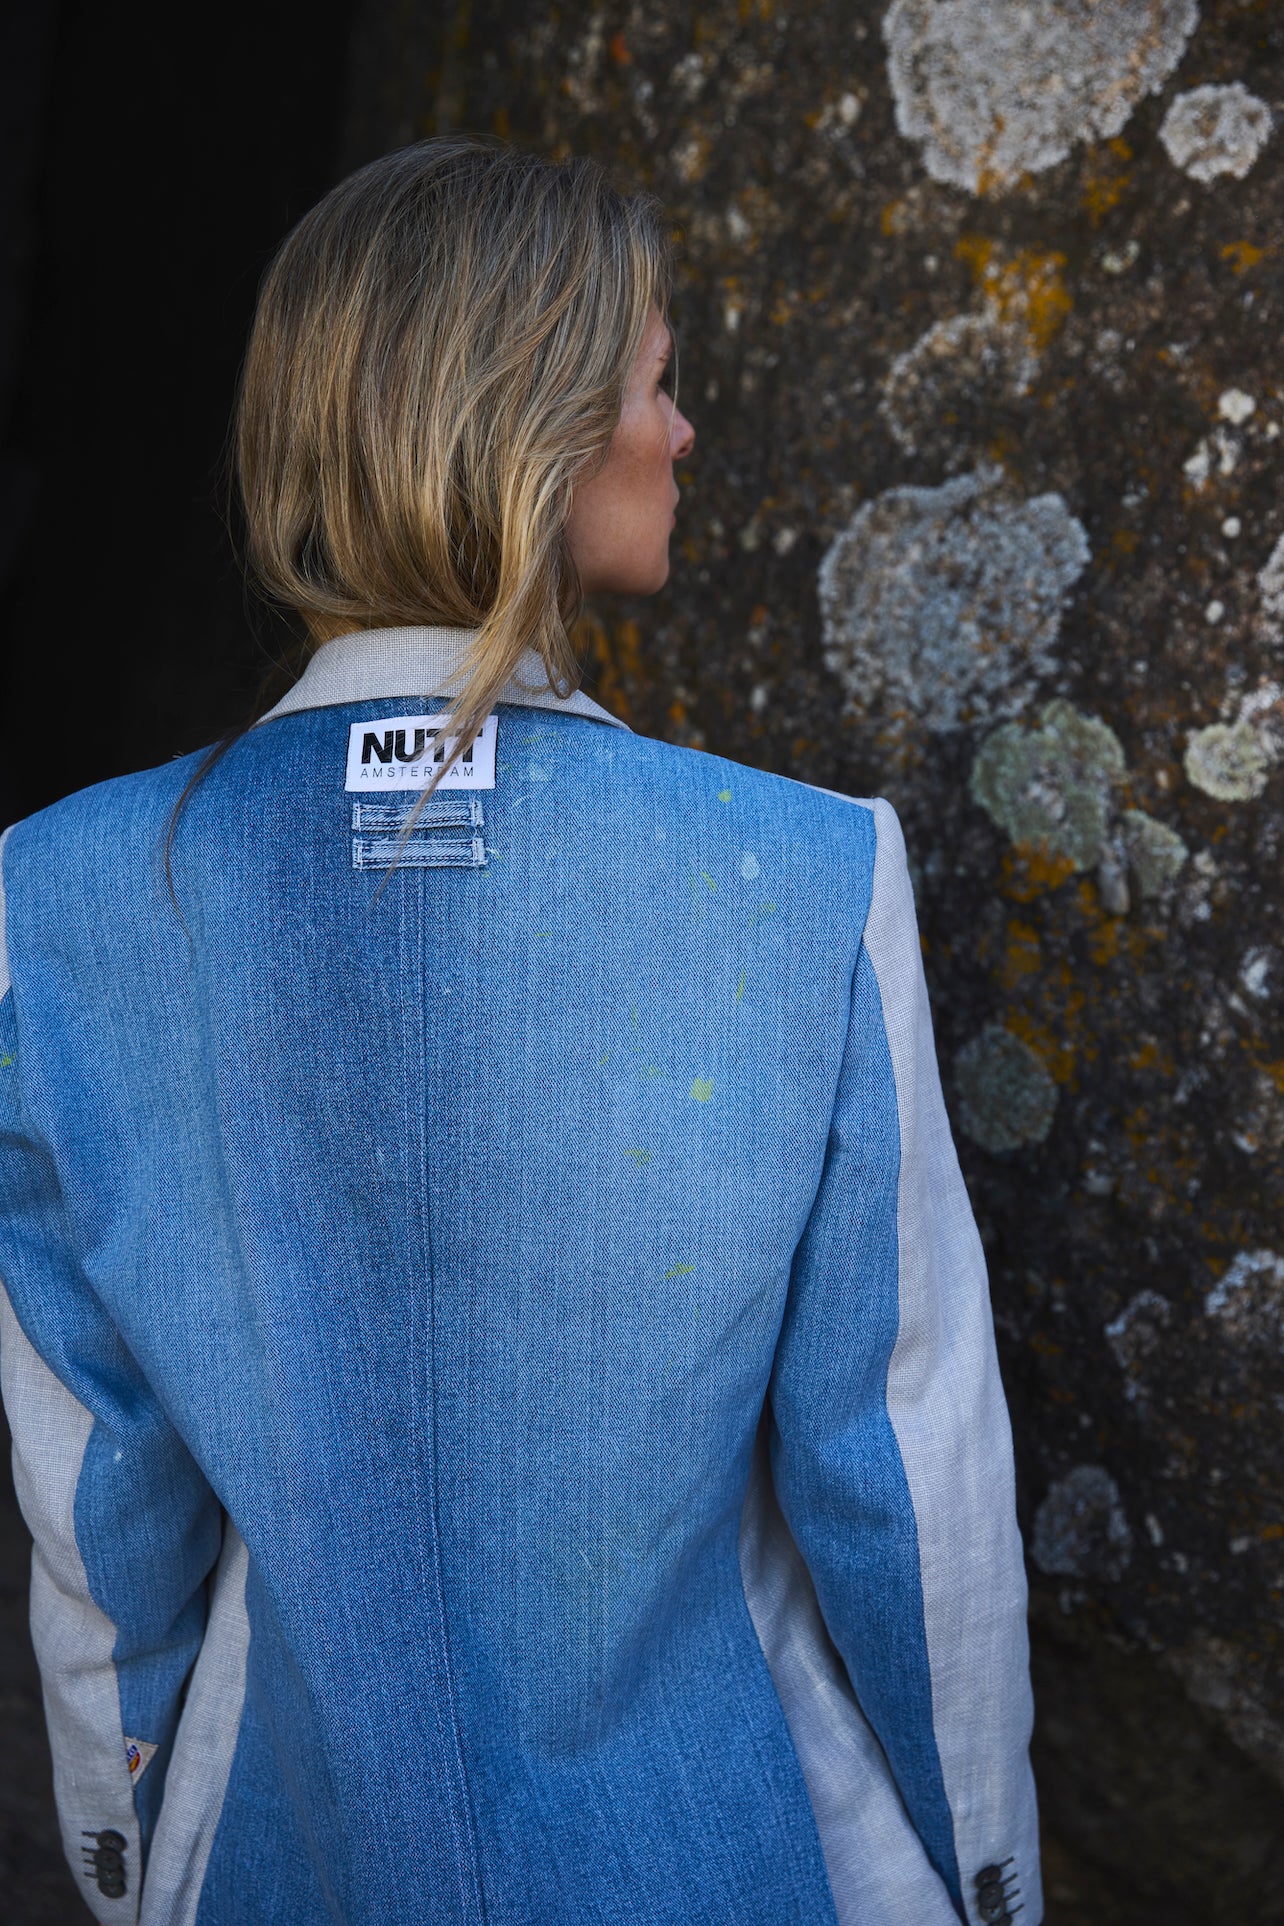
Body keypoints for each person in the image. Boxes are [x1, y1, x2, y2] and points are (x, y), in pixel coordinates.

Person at [0, 137, 1039, 1926]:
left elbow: (104, 1511)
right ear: (533, 421)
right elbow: (907, 1487)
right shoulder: (808, 876)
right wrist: (989, 1882)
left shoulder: (59, 897)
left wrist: (127, 1862)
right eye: (657, 380)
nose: (682, 433)